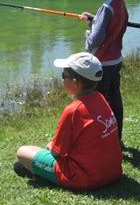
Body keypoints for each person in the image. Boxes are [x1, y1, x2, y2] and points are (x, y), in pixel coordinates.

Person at [15, 52, 122, 190]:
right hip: (113, 172)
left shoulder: (73, 110)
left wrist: (51, 146)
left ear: (75, 83)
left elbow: (56, 153)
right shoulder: (101, 98)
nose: (62, 79)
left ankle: (38, 173)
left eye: (64, 76)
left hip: (85, 178)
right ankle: (36, 171)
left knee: (22, 152)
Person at [79, 0, 129, 144]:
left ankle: (102, 139)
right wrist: (95, 19)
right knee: (115, 97)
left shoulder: (106, 7)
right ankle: (116, 136)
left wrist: (88, 35)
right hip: (116, 60)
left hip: (102, 63)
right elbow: (114, 26)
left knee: (99, 101)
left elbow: (96, 39)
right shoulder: (120, 3)